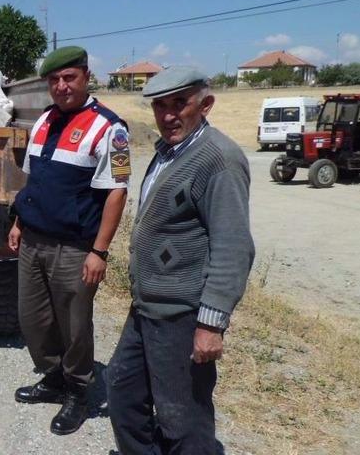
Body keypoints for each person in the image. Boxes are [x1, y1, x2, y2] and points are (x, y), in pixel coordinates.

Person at [106, 66, 255, 454]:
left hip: (182, 315)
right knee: (122, 393)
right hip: (147, 307)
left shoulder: (218, 159)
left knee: (183, 419)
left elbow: (233, 246)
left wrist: (211, 324)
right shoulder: (169, 152)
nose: (168, 115)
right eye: (160, 105)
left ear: (205, 105)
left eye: (180, 103)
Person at [9, 46, 130, 435]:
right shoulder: (45, 120)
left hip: (75, 247)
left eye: (69, 78)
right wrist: (19, 221)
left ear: (86, 77)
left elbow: (117, 192)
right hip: (33, 239)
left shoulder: (110, 128)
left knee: (75, 324)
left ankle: (78, 390)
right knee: (34, 319)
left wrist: (99, 251)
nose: (61, 86)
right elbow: (34, 180)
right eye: (54, 80)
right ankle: (53, 376)